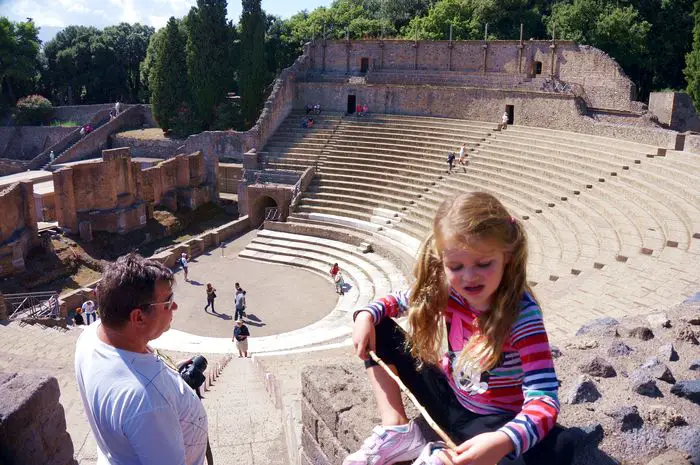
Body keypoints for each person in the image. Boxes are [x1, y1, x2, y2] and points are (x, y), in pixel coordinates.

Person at [345, 192, 573, 465]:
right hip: (450, 397)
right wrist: (366, 315)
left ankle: (444, 455)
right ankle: (398, 430)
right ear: (442, 261)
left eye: (484, 263)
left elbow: (545, 400)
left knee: (542, 451)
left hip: (492, 421)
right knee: (377, 325)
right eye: (456, 266)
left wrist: (503, 440)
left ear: (508, 256)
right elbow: (395, 301)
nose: (469, 276)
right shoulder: (448, 292)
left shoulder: (523, 319)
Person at [74, 253, 208, 465]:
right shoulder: (145, 399)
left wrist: (172, 379)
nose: (174, 307)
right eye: (168, 302)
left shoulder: (90, 336)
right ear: (139, 317)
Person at [178, 355, 214, 465]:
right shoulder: (197, 381)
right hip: (196, 419)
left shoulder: (178, 379)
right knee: (205, 448)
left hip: (183, 420)